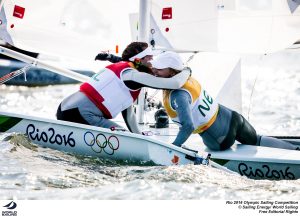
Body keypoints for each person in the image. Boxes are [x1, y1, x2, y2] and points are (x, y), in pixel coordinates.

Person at [151, 51, 300, 151]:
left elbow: (188, 126)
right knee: (256, 140)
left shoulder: (178, 94)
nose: (155, 72)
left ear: (171, 71)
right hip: (234, 118)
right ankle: (295, 149)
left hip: (219, 138)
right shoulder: (186, 75)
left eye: (159, 69)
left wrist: (173, 148)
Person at [56, 42, 191, 134]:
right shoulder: (131, 75)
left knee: (127, 135)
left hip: (65, 108)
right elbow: (174, 84)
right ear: (139, 60)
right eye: (149, 57)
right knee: (123, 136)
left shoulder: (125, 72)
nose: (153, 60)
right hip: (80, 114)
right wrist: (186, 70)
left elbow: (129, 116)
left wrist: (139, 138)